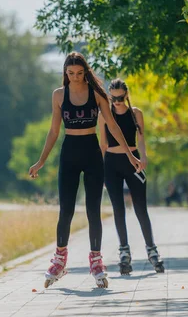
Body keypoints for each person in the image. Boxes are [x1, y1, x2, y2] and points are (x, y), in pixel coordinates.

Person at [29, 52, 142, 289]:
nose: (76, 78)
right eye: (71, 74)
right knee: (66, 210)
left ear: (86, 72)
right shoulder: (59, 95)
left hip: (92, 153)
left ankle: (96, 261)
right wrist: (41, 161)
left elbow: (112, 125)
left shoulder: (97, 94)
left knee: (93, 210)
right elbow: (53, 131)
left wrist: (130, 155)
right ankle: (59, 260)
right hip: (69, 153)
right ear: (65, 73)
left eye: (80, 73)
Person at [99, 78, 164, 275]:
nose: (117, 101)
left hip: (133, 162)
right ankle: (124, 253)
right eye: (113, 98)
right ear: (109, 96)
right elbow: (103, 144)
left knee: (140, 208)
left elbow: (141, 138)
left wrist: (144, 157)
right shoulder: (105, 115)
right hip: (111, 163)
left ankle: (152, 251)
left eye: (120, 97)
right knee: (118, 210)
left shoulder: (136, 114)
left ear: (126, 95)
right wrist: (101, 170)